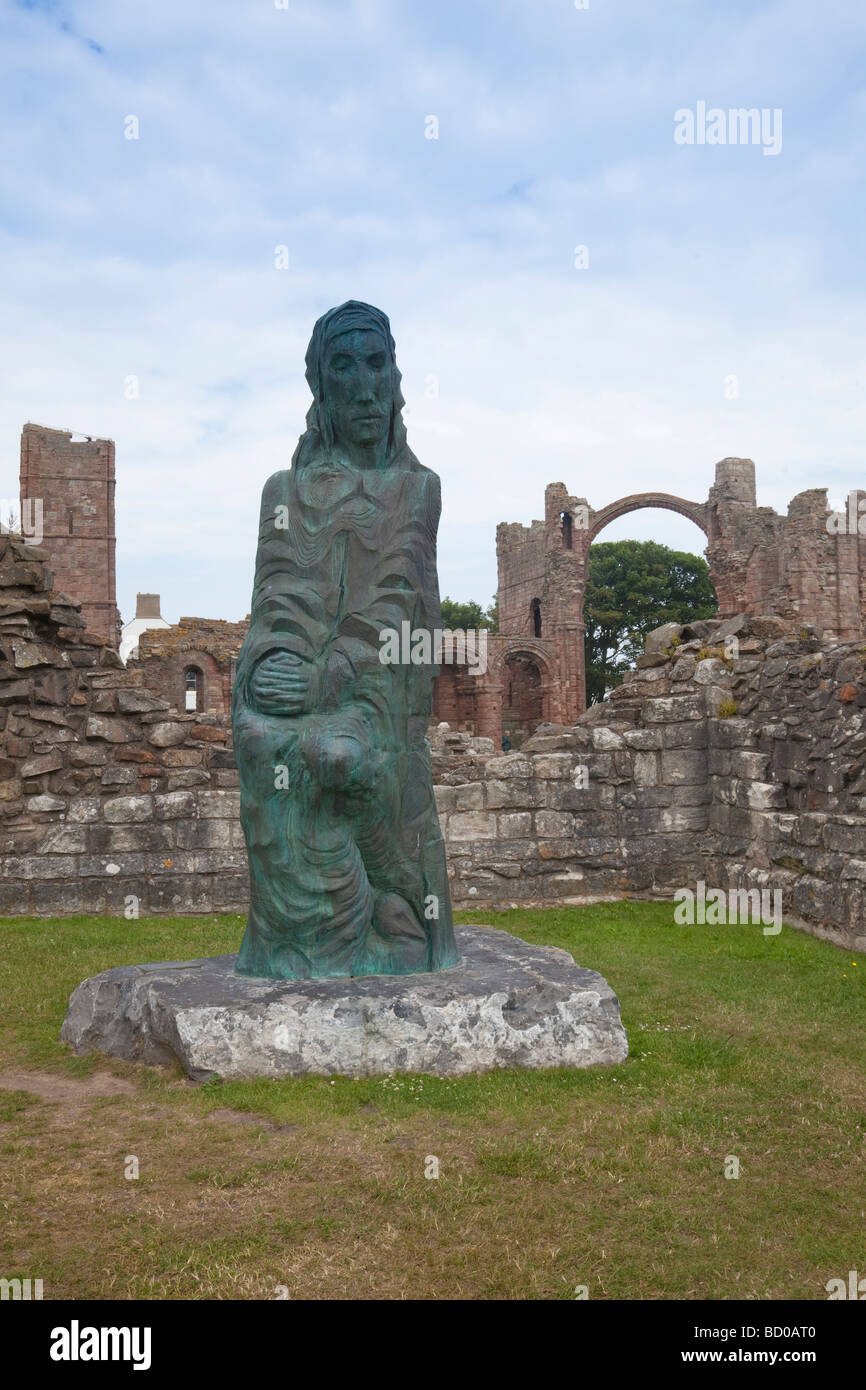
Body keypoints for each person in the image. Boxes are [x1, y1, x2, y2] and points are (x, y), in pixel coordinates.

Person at [232, 302, 459, 980]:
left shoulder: (419, 491)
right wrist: (273, 665)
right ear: (320, 386)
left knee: (339, 754)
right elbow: (277, 598)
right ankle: (310, 940)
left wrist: (328, 678)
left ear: (394, 379)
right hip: (305, 682)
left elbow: (403, 610)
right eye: (343, 366)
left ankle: (392, 925)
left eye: (375, 364)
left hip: (374, 701)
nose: (362, 384)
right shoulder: (286, 491)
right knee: (263, 739)